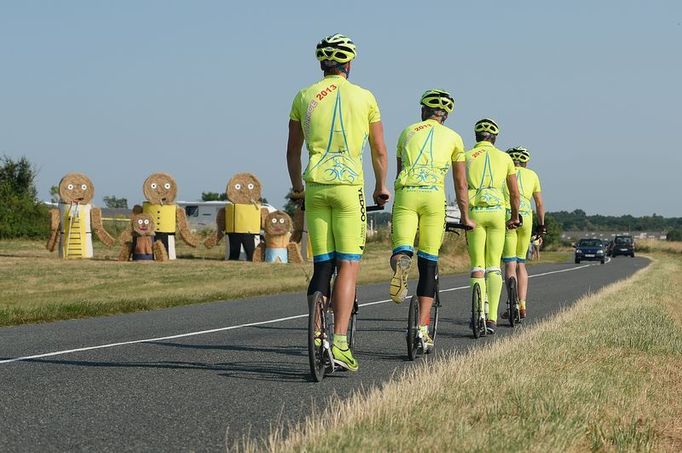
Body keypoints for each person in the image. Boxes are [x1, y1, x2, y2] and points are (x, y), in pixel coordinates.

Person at [286, 34, 390, 372]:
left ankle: (317, 336)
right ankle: (341, 343)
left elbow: (291, 150)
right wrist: (380, 187)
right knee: (349, 264)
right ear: (349, 64)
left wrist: (297, 188)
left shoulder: (304, 95)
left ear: (321, 64)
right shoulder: (365, 97)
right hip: (348, 186)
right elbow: (379, 150)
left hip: (316, 185)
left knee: (322, 265)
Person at [389, 89, 473, 350]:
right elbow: (460, 184)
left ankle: (401, 262)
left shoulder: (407, 132)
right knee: (429, 263)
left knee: (403, 246)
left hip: (406, 194)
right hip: (433, 197)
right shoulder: (454, 138)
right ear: (445, 115)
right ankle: (422, 330)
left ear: (423, 111)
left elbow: (400, 171)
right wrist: (465, 216)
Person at [465, 118, 520, 334]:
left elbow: (460, 187)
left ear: (476, 136)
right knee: (494, 266)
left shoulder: (467, 155)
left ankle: (477, 313)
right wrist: (514, 216)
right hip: (497, 211)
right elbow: (514, 193)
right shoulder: (505, 158)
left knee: (478, 266)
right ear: (495, 138)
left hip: (475, 210)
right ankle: (492, 318)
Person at [501, 147, 545, 319]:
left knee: (509, 263)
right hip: (527, 217)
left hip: (509, 216)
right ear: (526, 162)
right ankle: (522, 305)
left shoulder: (505, 173)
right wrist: (541, 227)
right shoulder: (532, 175)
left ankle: (510, 303)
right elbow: (540, 204)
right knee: (521, 263)